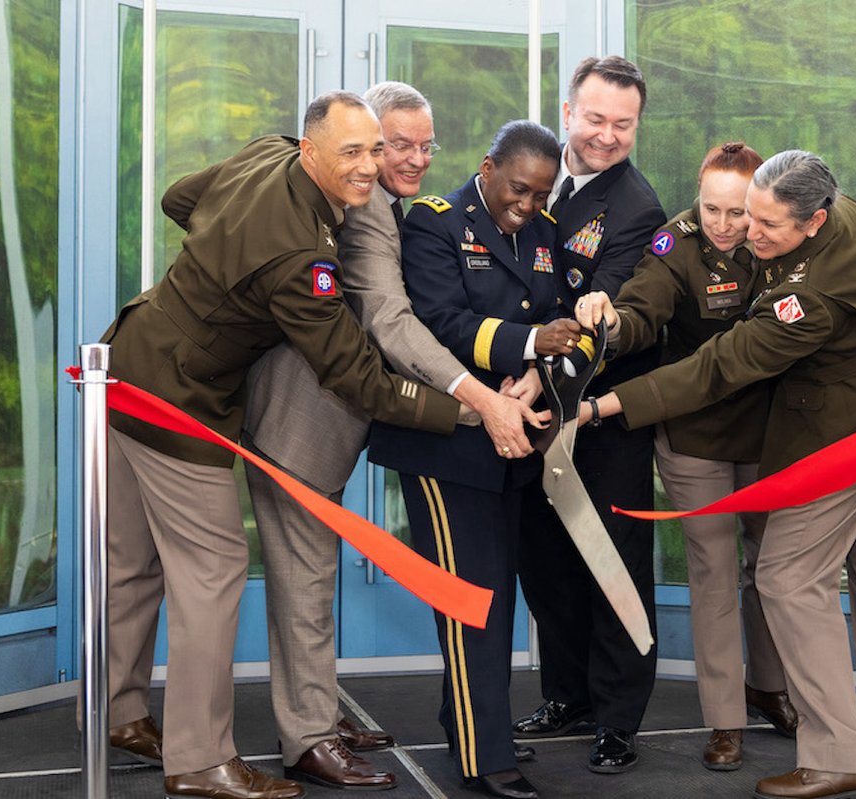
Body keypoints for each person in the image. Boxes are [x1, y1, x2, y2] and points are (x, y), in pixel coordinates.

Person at [99, 91, 469, 799]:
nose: (369, 167)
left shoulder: (263, 154)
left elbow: (181, 199)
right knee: (215, 568)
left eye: (374, 150)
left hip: (128, 356)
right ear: (310, 150)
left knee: (135, 562)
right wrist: (465, 412)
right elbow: (359, 378)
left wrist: (221, 264)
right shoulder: (301, 257)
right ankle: (200, 760)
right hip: (177, 395)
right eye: (352, 152)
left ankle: (122, 715)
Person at [577, 150, 856, 799]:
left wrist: (605, 405)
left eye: (766, 224)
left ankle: (839, 752)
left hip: (841, 432)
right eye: (748, 214)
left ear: (813, 220)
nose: (748, 231)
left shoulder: (807, 297)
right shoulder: (847, 215)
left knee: (786, 577)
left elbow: (719, 365)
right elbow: (655, 303)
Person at [239, 82, 540, 792]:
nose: (409, 159)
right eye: (392, 144)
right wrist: (477, 400)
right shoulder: (370, 206)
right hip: (300, 421)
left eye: (423, 145)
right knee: (305, 579)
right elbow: (392, 322)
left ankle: (317, 710)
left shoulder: (373, 200)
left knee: (312, 575)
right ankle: (309, 737)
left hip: (336, 415)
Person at [368, 120, 579, 799]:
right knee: (472, 600)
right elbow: (439, 322)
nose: (528, 204)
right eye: (518, 189)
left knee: (496, 591)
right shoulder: (435, 224)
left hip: (512, 436)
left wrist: (535, 377)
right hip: (447, 441)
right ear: (487, 168)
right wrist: (530, 345)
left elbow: (556, 316)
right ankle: (485, 757)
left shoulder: (543, 231)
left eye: (541, 194)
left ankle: (472, 723)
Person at [574, 141, 796, 771]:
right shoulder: (677, 244)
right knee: (713, 572)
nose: (723, 224)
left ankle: (769, 687)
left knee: (771, 570)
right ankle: (725, 721)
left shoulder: (781, 238)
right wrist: (612, 320)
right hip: (695, 433)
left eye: (737, 212)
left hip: (770, 432)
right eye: (711, 209)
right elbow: (643, 308)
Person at [512, 55, 666, 776]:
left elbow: (596, 324)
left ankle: (617, 718)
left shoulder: (636, 209)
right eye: (596, 118)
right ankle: (567, 694)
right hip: (528, 411)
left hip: (601, 417)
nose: (607, 135)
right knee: (546, 562)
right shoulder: (535, 176)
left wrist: (532, 382)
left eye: (623, 124)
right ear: (569, 111)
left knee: (612, 566)